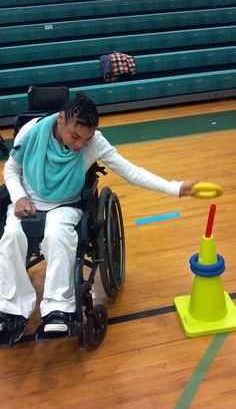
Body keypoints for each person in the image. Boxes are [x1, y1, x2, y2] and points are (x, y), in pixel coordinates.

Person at [0, 92, 197, 346]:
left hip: (65, 203)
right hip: (27, 200)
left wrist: (175, 187)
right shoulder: (31, 130)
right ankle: (12, 310)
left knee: (57, 235)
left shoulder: (94, 142)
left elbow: (130, 171)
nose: (80, 144)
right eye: (75, 136)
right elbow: (12, 169)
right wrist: (18, 197)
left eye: (86, 138)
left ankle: (58, 308)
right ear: (61, 119)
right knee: (11, 237)